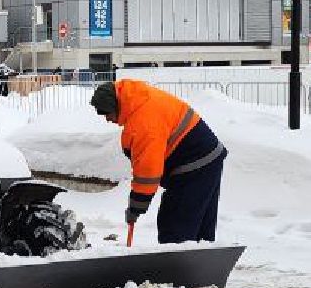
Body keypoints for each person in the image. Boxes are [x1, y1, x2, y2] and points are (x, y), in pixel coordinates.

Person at [90, 80, 226, 244]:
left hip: (195, 164)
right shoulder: (138, 99)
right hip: (205, 157)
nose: (107, 119)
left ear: (116, 106)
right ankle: (200, 266)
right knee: (199, 227)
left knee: (175, 227)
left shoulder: (143, 123)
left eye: (106, 113)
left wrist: (136, 207)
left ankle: (177, 267)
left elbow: (148, 172)